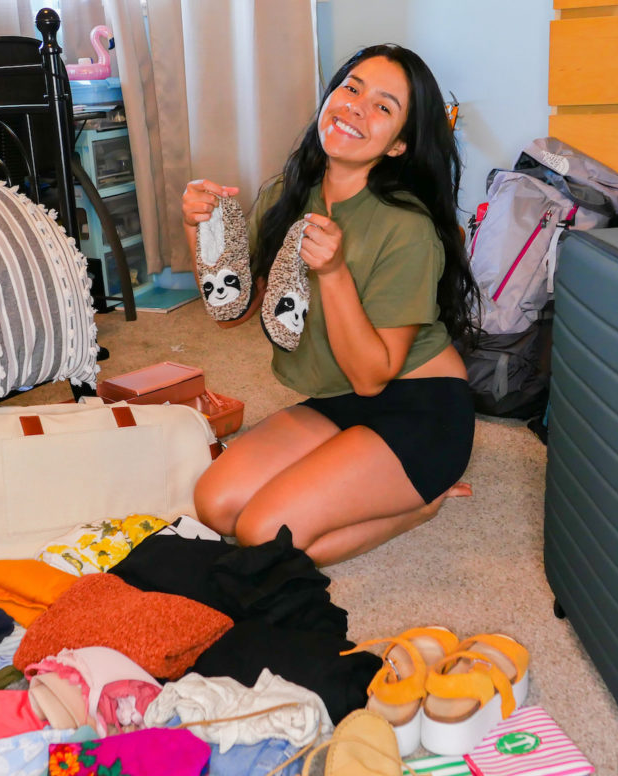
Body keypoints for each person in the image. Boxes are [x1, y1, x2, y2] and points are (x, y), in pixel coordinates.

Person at [180, 44, 481, 566]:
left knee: (263, 533)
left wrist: (334, 273)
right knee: (214, 505)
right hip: (336, 399)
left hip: (419, 406)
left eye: (384, 107)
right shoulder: (285, 194)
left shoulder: (407, 227)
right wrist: (198, 230)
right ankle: (356, 474)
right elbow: (237, 308)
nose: (357, 107)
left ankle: (419, 507)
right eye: (352, 88)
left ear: (398, 146)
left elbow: (371, 378)